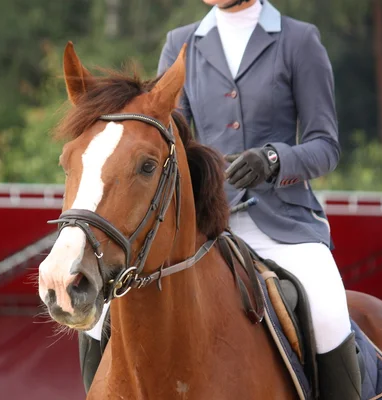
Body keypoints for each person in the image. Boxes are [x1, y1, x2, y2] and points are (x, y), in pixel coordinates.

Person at [79, 1, 360, 399]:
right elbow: (169, 141)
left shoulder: (299, 40)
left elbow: (325, 146)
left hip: (281, 221)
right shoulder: (181, 44)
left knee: (328, 307)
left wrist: (273, 159)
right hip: (204, 220)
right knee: (97, 317)